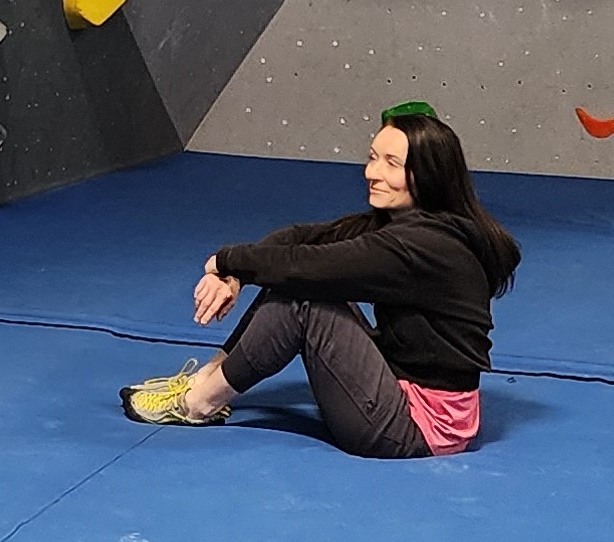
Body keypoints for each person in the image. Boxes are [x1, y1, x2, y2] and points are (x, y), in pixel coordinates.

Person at [120, 102, 521, 458]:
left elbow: (303, 266)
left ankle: (198, 404)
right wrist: (235, 275)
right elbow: (300, 238)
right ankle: (202, 381)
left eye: (390, 164)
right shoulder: (407, 225)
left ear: (428, 176)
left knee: (305, 298)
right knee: (297, 279)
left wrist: (225, 260)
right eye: (371, 157)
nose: (371, 172)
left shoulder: (422, 245)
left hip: (417, 428)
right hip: (401, 388)